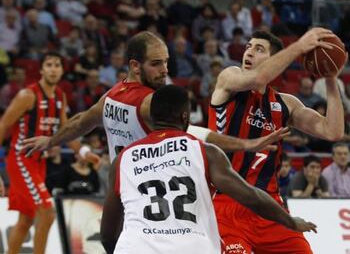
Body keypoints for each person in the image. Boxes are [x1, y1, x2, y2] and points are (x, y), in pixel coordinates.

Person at [100, 85, 316, 254]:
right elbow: (252, 197)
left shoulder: (123, 159)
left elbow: (108, 235)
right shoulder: (204, 151)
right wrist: (290, 221)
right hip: (192, 247)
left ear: (152, 117)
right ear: (185, 117)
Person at [23, 32, 289, 165]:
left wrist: (51, 140)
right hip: (153, 205)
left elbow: (81, 121)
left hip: (124, 192)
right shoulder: (150, 102)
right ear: (135, 66)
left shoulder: (113, 96)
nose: (165, 70)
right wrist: (246, 144)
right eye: (156, 64)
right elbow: (197, 133)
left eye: (166, 62)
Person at [208, 28, 344, 253]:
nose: (249, 52)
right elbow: (259, 77)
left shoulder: (285, 104)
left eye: (259, 49)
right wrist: (300, 46)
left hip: (270, 207)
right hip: (228, 203)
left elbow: (333, 131)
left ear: (275, 61)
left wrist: (331, 77)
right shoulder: (229, 79)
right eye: (248, 47)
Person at [0, 52, 99, 254]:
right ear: (41, 69)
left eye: (57, 65)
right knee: (47, 212)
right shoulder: (27, 96)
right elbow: (3, 126)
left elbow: (65, 132)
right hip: (22, 160)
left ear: (62, 70)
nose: (53, 68)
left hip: (39, 163)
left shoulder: (60, 97)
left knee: (26, 220)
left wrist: (84, 151)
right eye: (49, 64)